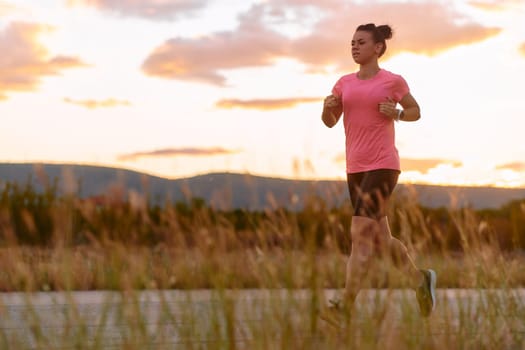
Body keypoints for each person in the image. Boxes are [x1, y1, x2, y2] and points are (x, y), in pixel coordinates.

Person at [321, 23, 436, 318]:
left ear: (378, 48)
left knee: (359, 232)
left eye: (360, 42)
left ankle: (344, 307)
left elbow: (416, 111)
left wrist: (396, 113)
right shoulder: (344, 83)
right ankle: (420, 280)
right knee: (381, 241)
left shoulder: (392, 81)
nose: (354, 47)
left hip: (384, 165)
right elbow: (329, 122)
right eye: (352, 43)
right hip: (355, 168)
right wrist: (326, 107)